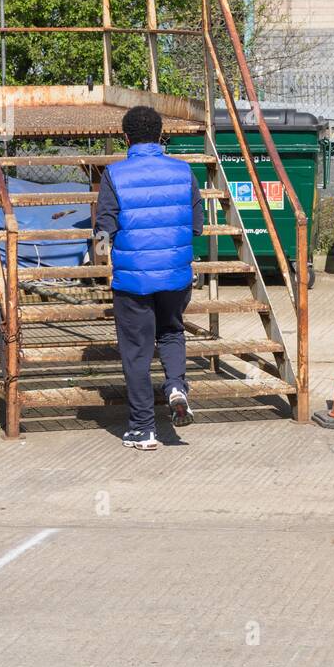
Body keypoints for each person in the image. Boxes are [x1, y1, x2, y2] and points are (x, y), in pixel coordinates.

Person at [94, 106, 204, 450]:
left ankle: (143, 429)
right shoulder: (184, 172)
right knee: (171, 331)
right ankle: (175, 386)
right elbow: (197, 226)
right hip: (176, 275)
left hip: (133, 281)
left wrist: (100, 256)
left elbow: (104, 229)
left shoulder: (114, 174)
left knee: (137, 352)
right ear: (159, 136)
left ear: (126, 138)